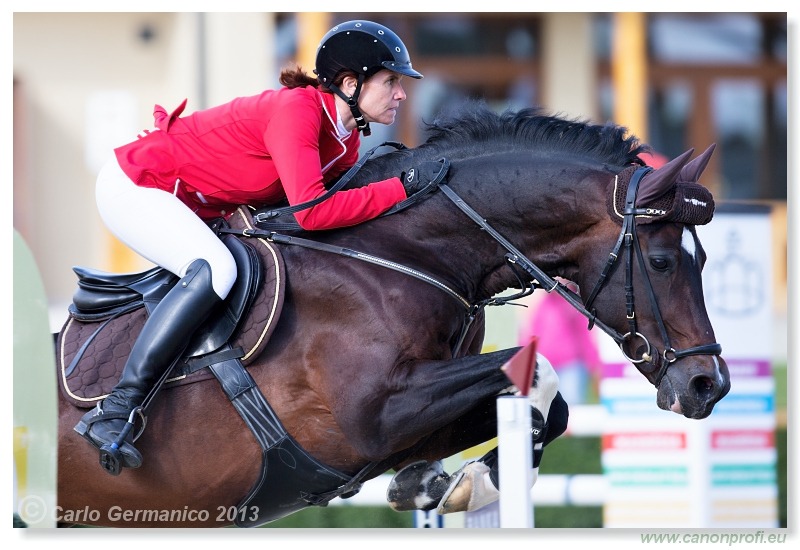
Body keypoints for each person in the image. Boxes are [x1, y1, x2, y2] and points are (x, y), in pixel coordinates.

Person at [75, 19, 441, 471]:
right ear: (351, 83)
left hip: (195, 205)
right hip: (138, 184)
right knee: (217, 269)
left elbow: (321, 214)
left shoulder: (344, 141)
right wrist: (402, 191)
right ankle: (115, 411)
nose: (401, 94)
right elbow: (312, 212)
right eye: (392, 81)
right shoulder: (299, 112)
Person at [518, 286, 603, 404]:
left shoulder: (575, 304)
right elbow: (533, 332)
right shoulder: (545, 303)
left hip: (570, 366)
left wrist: (594, 364)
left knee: (570, 405)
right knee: (544, 407)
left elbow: (585, 336)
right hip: (545, 366)